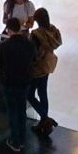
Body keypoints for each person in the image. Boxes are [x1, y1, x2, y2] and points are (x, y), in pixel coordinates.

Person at [0, 16, 36, 154]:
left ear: (9, 30)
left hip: (9, 82)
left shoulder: (4, 46)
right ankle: (22, 139)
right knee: (21, 109)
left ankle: (14, 140)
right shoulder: (29, 44)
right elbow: (34, 58)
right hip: (25, 81)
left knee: (12, 110)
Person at [28, 7, 63, 139]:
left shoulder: (37, 34)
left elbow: (33, 52)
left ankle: (45, 119)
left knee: (30, 94)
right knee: (43, 92)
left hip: (38, 67)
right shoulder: (54, 30)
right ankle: (44, 122)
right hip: (48, 65)